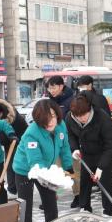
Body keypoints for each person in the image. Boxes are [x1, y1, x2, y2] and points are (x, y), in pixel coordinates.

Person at [12, 99, 73, 222]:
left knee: (50, 202)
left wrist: (68, 165)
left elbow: (65, 146)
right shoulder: (31, 133)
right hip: (26, 170)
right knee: (26, 205)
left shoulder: (61, 126)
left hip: (46, 168)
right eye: (46, 118)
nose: (51, 121)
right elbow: (35, 162)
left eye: (53, 116)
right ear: (39, 120)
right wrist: (50, 178)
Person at [66, 94, 112, 216]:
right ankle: (85, 207)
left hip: (103, 152)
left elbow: (111, 144)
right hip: (86, 153)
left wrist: (101, 167)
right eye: (78, 116)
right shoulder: (70, 117)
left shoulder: (102, 118)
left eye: (84, 115)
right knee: (84, 180)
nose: (82, 119)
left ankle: (108, 210)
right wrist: (74, 148)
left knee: (105, 181)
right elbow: (70, 135)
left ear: (90, 109)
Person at [47, 75, 80, 207]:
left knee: (73, 169)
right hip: (54, 142)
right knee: (54, 169)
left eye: (53, 87)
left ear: (61, 86)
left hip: (69, 142)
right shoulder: (51, 101)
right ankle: (51, 197)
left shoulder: (72, 100)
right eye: (49, 88)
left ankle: (78, 195)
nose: (51, 90)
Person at [0, 99, 28, 195]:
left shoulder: (12, 119)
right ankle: (12, 188)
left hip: (19, 138)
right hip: (9, 139)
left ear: (0, 114)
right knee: (9, 163)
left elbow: (4, 140)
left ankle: (15, 188)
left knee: (13, 163)